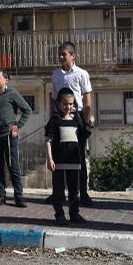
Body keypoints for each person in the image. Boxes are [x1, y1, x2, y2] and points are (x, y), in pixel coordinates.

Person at [0, 69, 32, 208]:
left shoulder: (12, 94)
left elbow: (27, 110)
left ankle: (19, 196)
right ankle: (0, 196)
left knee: (13, 166)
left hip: (9, 136)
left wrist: (17, 126)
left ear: (6, 80)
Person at [51, 42, 95, 206]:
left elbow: (87, 98)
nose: (61, 57)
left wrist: (85, 119)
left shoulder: (82, 74)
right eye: (60, 54)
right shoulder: (56, 74)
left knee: (79, 157)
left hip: (76, 117)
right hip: (60, 117)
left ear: (73, 56)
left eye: (64, 54)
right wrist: (54, 118)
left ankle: (82, 193)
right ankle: (58, 192)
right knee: (59, 155)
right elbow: (54, 98)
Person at [45, 88, 89, 226]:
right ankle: (59, 214)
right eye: (65, 104)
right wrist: (50, 159)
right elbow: (48, 141)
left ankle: (74, 213)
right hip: (59, 162)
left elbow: (84, 136)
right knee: (58, 191)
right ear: (58, 104)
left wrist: (89, 125)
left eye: (70, 104)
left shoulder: (77, 120)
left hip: (74, 161)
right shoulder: (54, 121)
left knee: (74, 190)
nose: (68, 107)